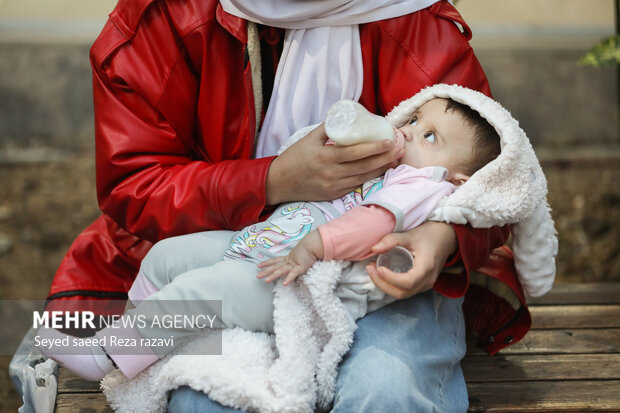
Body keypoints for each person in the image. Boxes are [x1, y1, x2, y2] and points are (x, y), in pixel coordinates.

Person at [39, 0, 536, 412]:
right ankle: (125, 343)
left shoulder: (415, 18)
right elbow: (134, 183)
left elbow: (498, 180)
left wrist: (444, 237)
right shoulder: (164, 19)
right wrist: (270, 180)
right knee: (202, 399)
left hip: (383, 283)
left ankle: (120, 347)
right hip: (252, 246)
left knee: (385, 386)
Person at [38, 94, 502, 381]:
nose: (407, 131)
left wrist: (313, 247)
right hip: (267, 242)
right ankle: (141, 337)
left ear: (457, 179)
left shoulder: (424, 186)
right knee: (167, 256)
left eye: (429, 136)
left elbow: (373, 223)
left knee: (206, 293)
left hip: (303, 284)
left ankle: (110, 357)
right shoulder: (392, 164)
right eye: (415, 118)